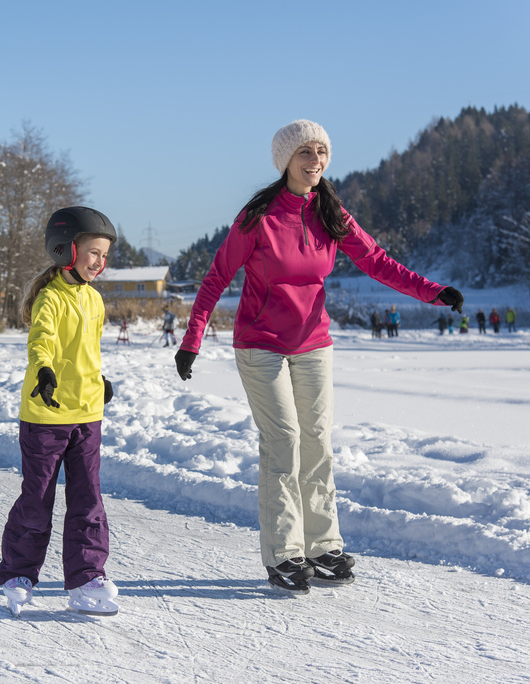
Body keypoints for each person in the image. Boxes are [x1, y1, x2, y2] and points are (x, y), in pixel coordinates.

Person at [173, 120, 463, 594]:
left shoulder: (331, 211)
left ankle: (323, 547)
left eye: (322, 151)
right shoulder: (259, 216)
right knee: (284, 441)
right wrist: (192, 339)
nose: (316, 160)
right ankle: (283, 553)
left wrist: (432, 292)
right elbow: (216, 276)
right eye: (306, 151)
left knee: (317, 443)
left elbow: (376, 260)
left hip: (313, 343)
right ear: (286, 160)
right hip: (261, 342)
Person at [0, 206, 120, 617]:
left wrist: (98, 380)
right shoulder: (50, 298)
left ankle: (86, 578)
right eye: (93, 253)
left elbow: (87, 349)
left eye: (104, 255)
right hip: (46, 417)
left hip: (86, 415)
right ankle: (19, 574)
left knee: (88, 500)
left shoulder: (95, 300)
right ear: (65, 249)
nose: (100, 262)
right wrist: (45, 370)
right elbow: (43, 339)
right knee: (38, 498)